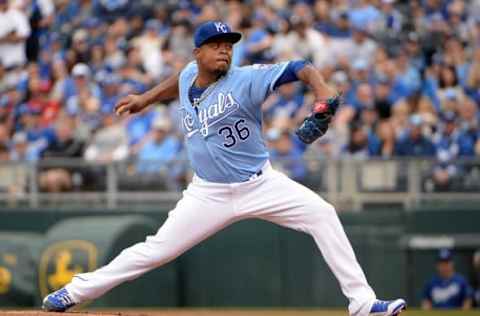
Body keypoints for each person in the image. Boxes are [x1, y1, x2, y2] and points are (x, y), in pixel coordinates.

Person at [42, 21, 406, 316]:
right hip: (207, 193)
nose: (224, 50)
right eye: (216, 44)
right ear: (197, 52)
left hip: (261, 185)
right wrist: (145, 99)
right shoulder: (188, 75)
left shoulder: (245, 79)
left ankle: (362, 303)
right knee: (154, 251)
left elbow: (299, 68)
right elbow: (177, 81)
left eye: (229, 45)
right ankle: (75, 292)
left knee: (323, 214)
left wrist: (323, 91)